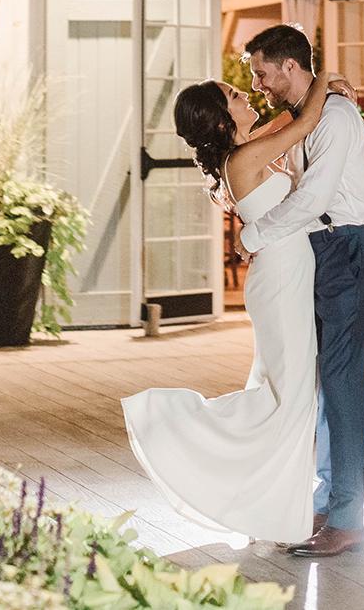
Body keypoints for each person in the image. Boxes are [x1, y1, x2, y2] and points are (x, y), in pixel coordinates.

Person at [121, 58, 351, 546]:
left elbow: (289, 117)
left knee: (285, 394)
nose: (247, 94)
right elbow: (304, 122)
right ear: (223, 119)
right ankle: (178, 429)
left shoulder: (246, 148)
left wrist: (311, 90)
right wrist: (325, 76)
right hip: (281, 278)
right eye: (234, 95)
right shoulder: (242, 160)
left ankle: (272, 508)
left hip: (286, 273)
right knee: (291, 399)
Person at [243, 23, 364, 560]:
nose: (257, 84)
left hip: (350, 248)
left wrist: (254, 235)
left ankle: (347, 519)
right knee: (323, 381)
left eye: (261, 73)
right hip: (321, 249)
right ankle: (326, 505)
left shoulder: (337, 118)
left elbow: (315, 197)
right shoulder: (306, 117)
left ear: (289, 66)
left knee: (344, 383)